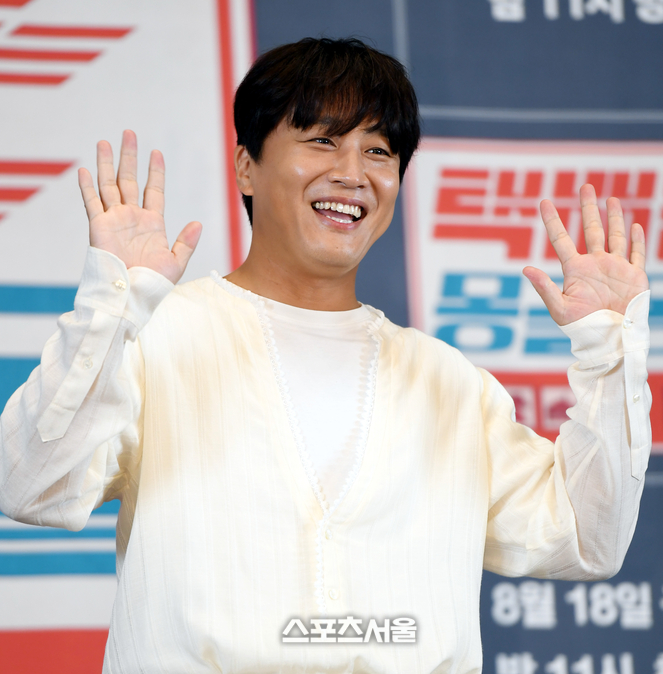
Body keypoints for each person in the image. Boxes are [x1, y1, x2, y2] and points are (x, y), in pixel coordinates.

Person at [0, 37, 651, 674]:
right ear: (246, 165)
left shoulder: (449, 382)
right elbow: (29, 484)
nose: (352, 172)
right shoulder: (156, 337)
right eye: (322, 140)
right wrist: (115, 306)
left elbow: (583, 539)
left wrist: (608, 352)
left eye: (378, 150)